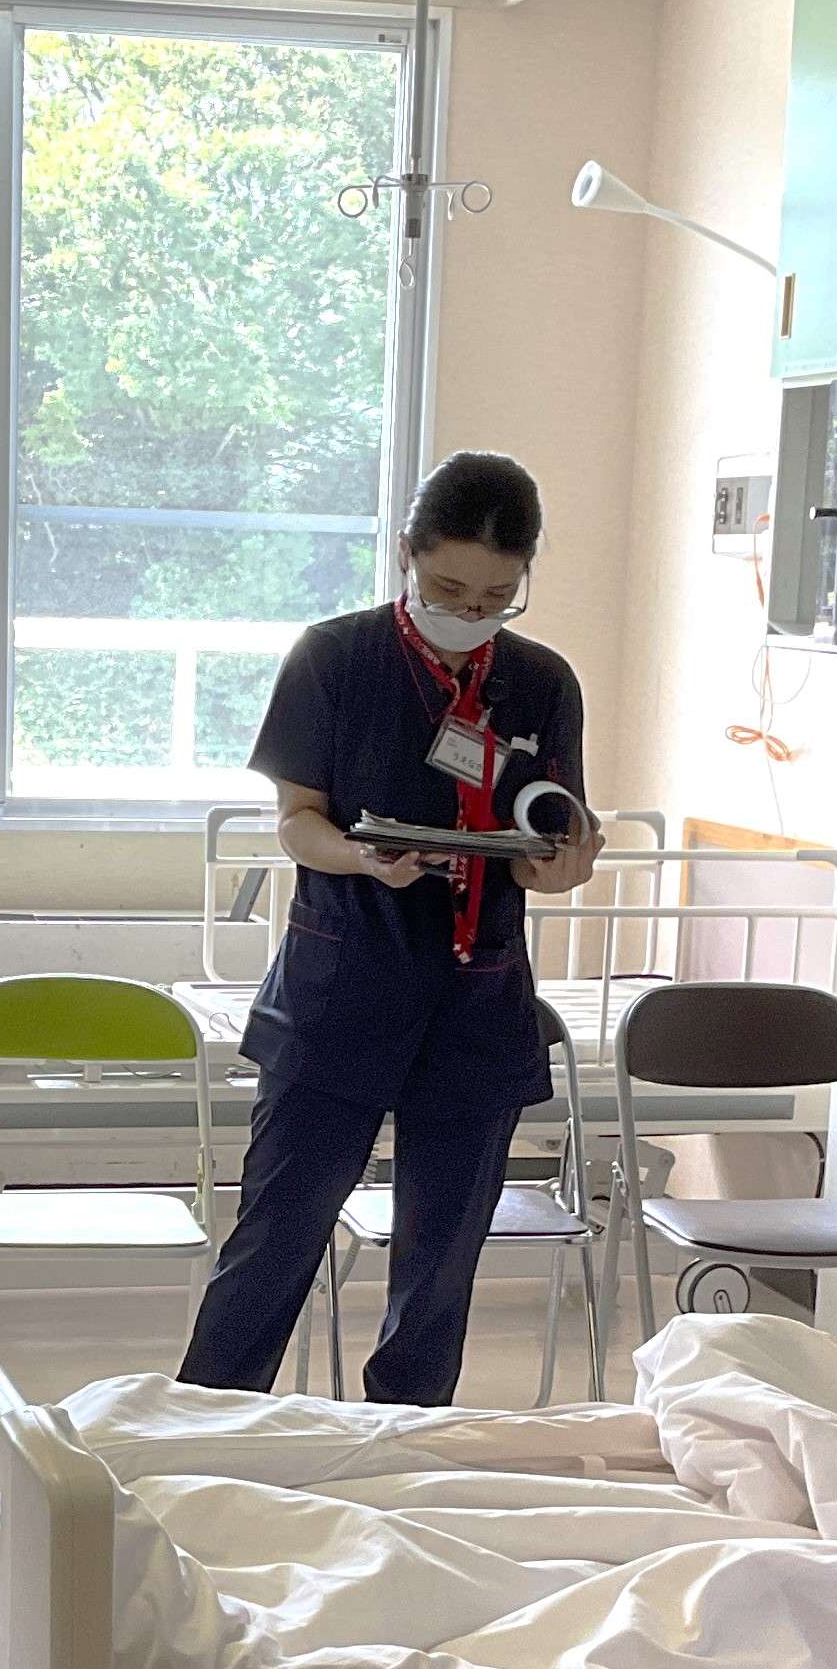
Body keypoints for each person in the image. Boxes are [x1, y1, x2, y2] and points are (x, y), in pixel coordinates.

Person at [176, 451, 603, 1403]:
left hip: (477, 995)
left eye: (496, 597)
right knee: (277, 1238)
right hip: (344, 981)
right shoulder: (335, 658)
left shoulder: (541, 681)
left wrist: (561, 866)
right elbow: (297, 821)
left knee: (441, 1265)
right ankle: (199, 1431)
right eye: (449, 588)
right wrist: (362, 857)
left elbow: (547, 838)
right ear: (407, 553)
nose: (471, 611)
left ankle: (405, 1444)